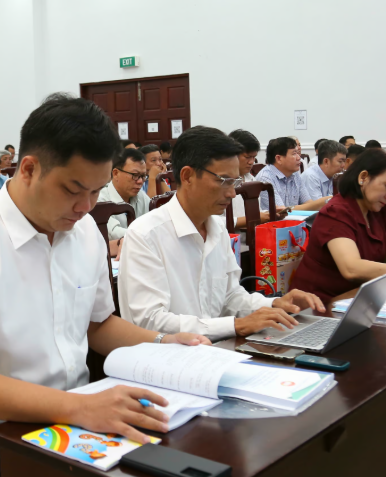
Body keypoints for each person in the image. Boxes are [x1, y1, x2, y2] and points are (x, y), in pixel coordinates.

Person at [0, 94, 209, 477]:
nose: (86, 206)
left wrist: (163, 343)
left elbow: (98, 325)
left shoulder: (84, 232)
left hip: (75, 417)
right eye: (74, 190)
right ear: (28, 168)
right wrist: (81, 408)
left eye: (96, 191)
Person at [119, 126, 323, 339]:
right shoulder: (146, 234)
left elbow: (231, 297)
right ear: (187, 176)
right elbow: (150, 321)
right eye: (224, 181)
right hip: (170, 356)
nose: (233, 193)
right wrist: (235, 325)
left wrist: (275, 304)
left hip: (215, 349)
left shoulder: (217, 228)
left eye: (235, 182)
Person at [289, 149, 386, 301]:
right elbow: (351, 268)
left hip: (360, 298)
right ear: (363, 177)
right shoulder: (336, 213)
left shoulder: (376, 210)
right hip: (320, 305)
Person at [98, 148, 150, 255]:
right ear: (116, 173)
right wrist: (147, 236)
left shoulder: (141, 196)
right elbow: (113, 233)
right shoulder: (101, 200)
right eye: (135, 175)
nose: (140, 181)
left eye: (143, 176)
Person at [254, 137, 327, 212]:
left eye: (298, 153)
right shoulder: (265, 178)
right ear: (279, 159)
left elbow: (308, 202)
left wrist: (318, 204)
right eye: (294, 154)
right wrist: (322, 202)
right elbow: (282, 211)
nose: (299, 158)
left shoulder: (295, 174)